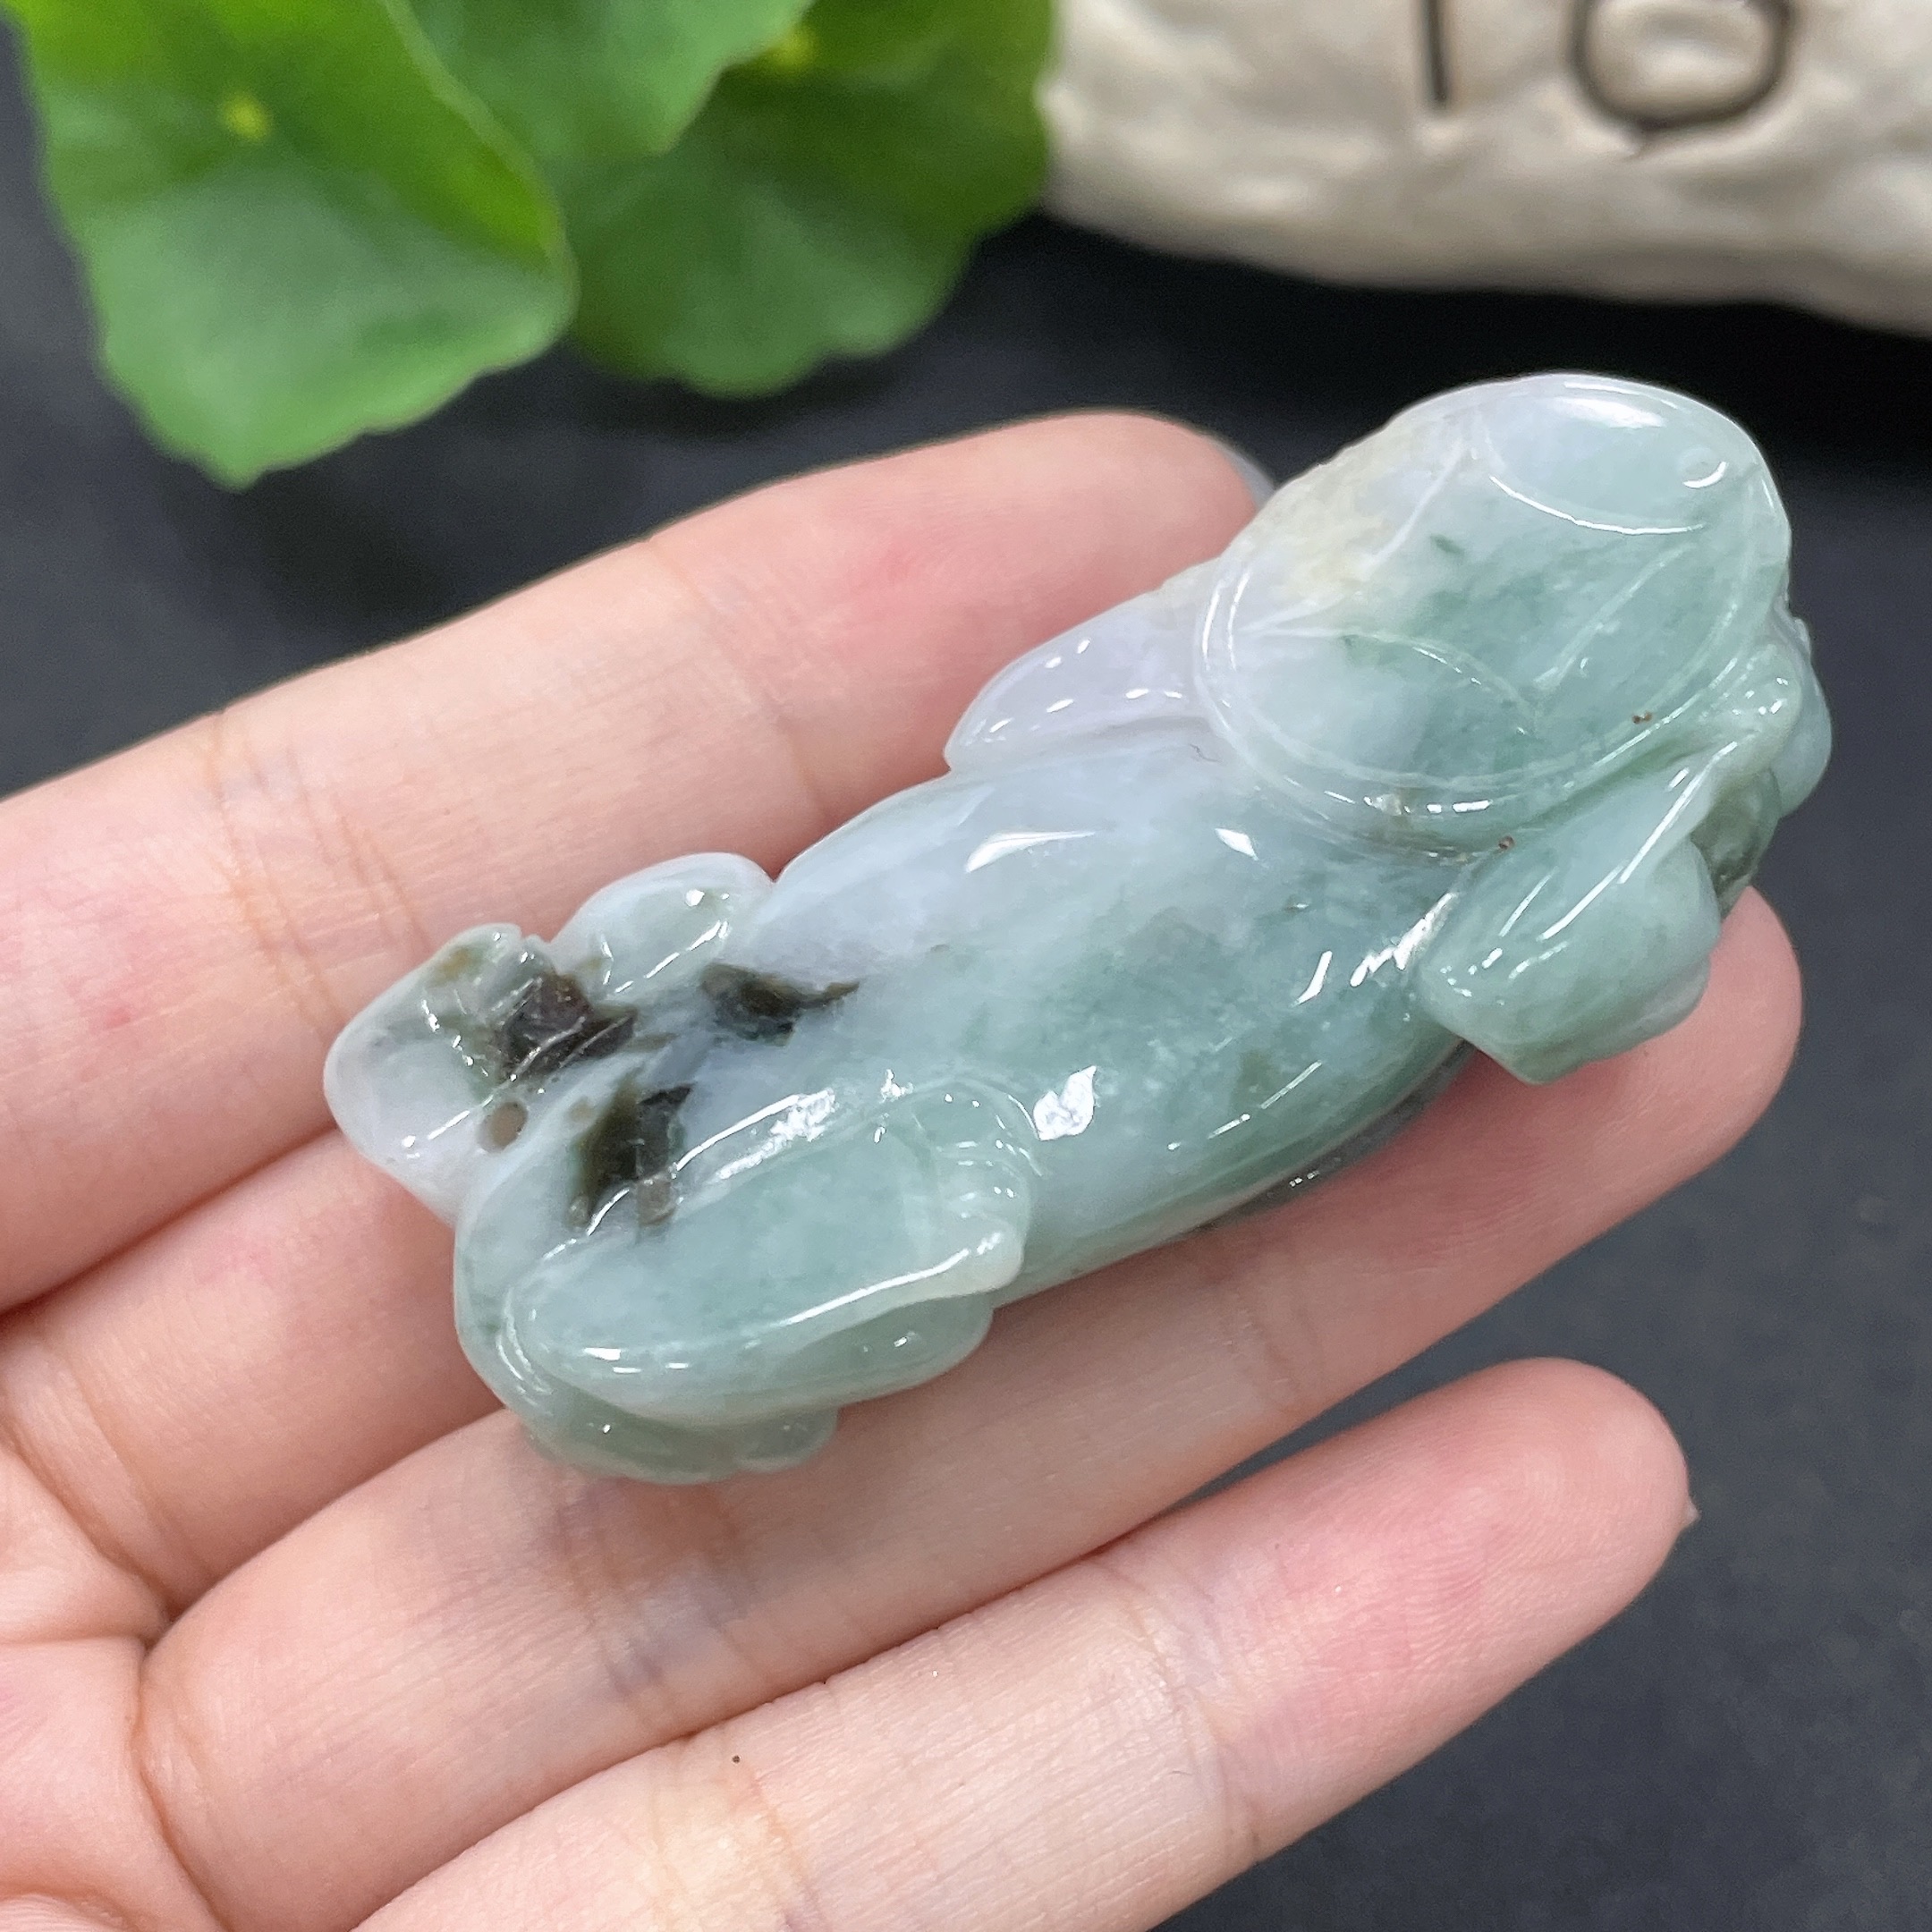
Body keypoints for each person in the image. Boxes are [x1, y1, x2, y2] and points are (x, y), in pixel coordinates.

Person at [0, 413, 1798, 1931]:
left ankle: (643, 1174)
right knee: (780, 1101)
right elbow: (1027, 738)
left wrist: (1674, 792)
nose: (1379, 576)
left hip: (948, 1061)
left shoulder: (1472, 856)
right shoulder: (1244, 694)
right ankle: (640, 1176)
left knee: (837, 1135)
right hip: (859, 1020)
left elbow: (1544, 994)